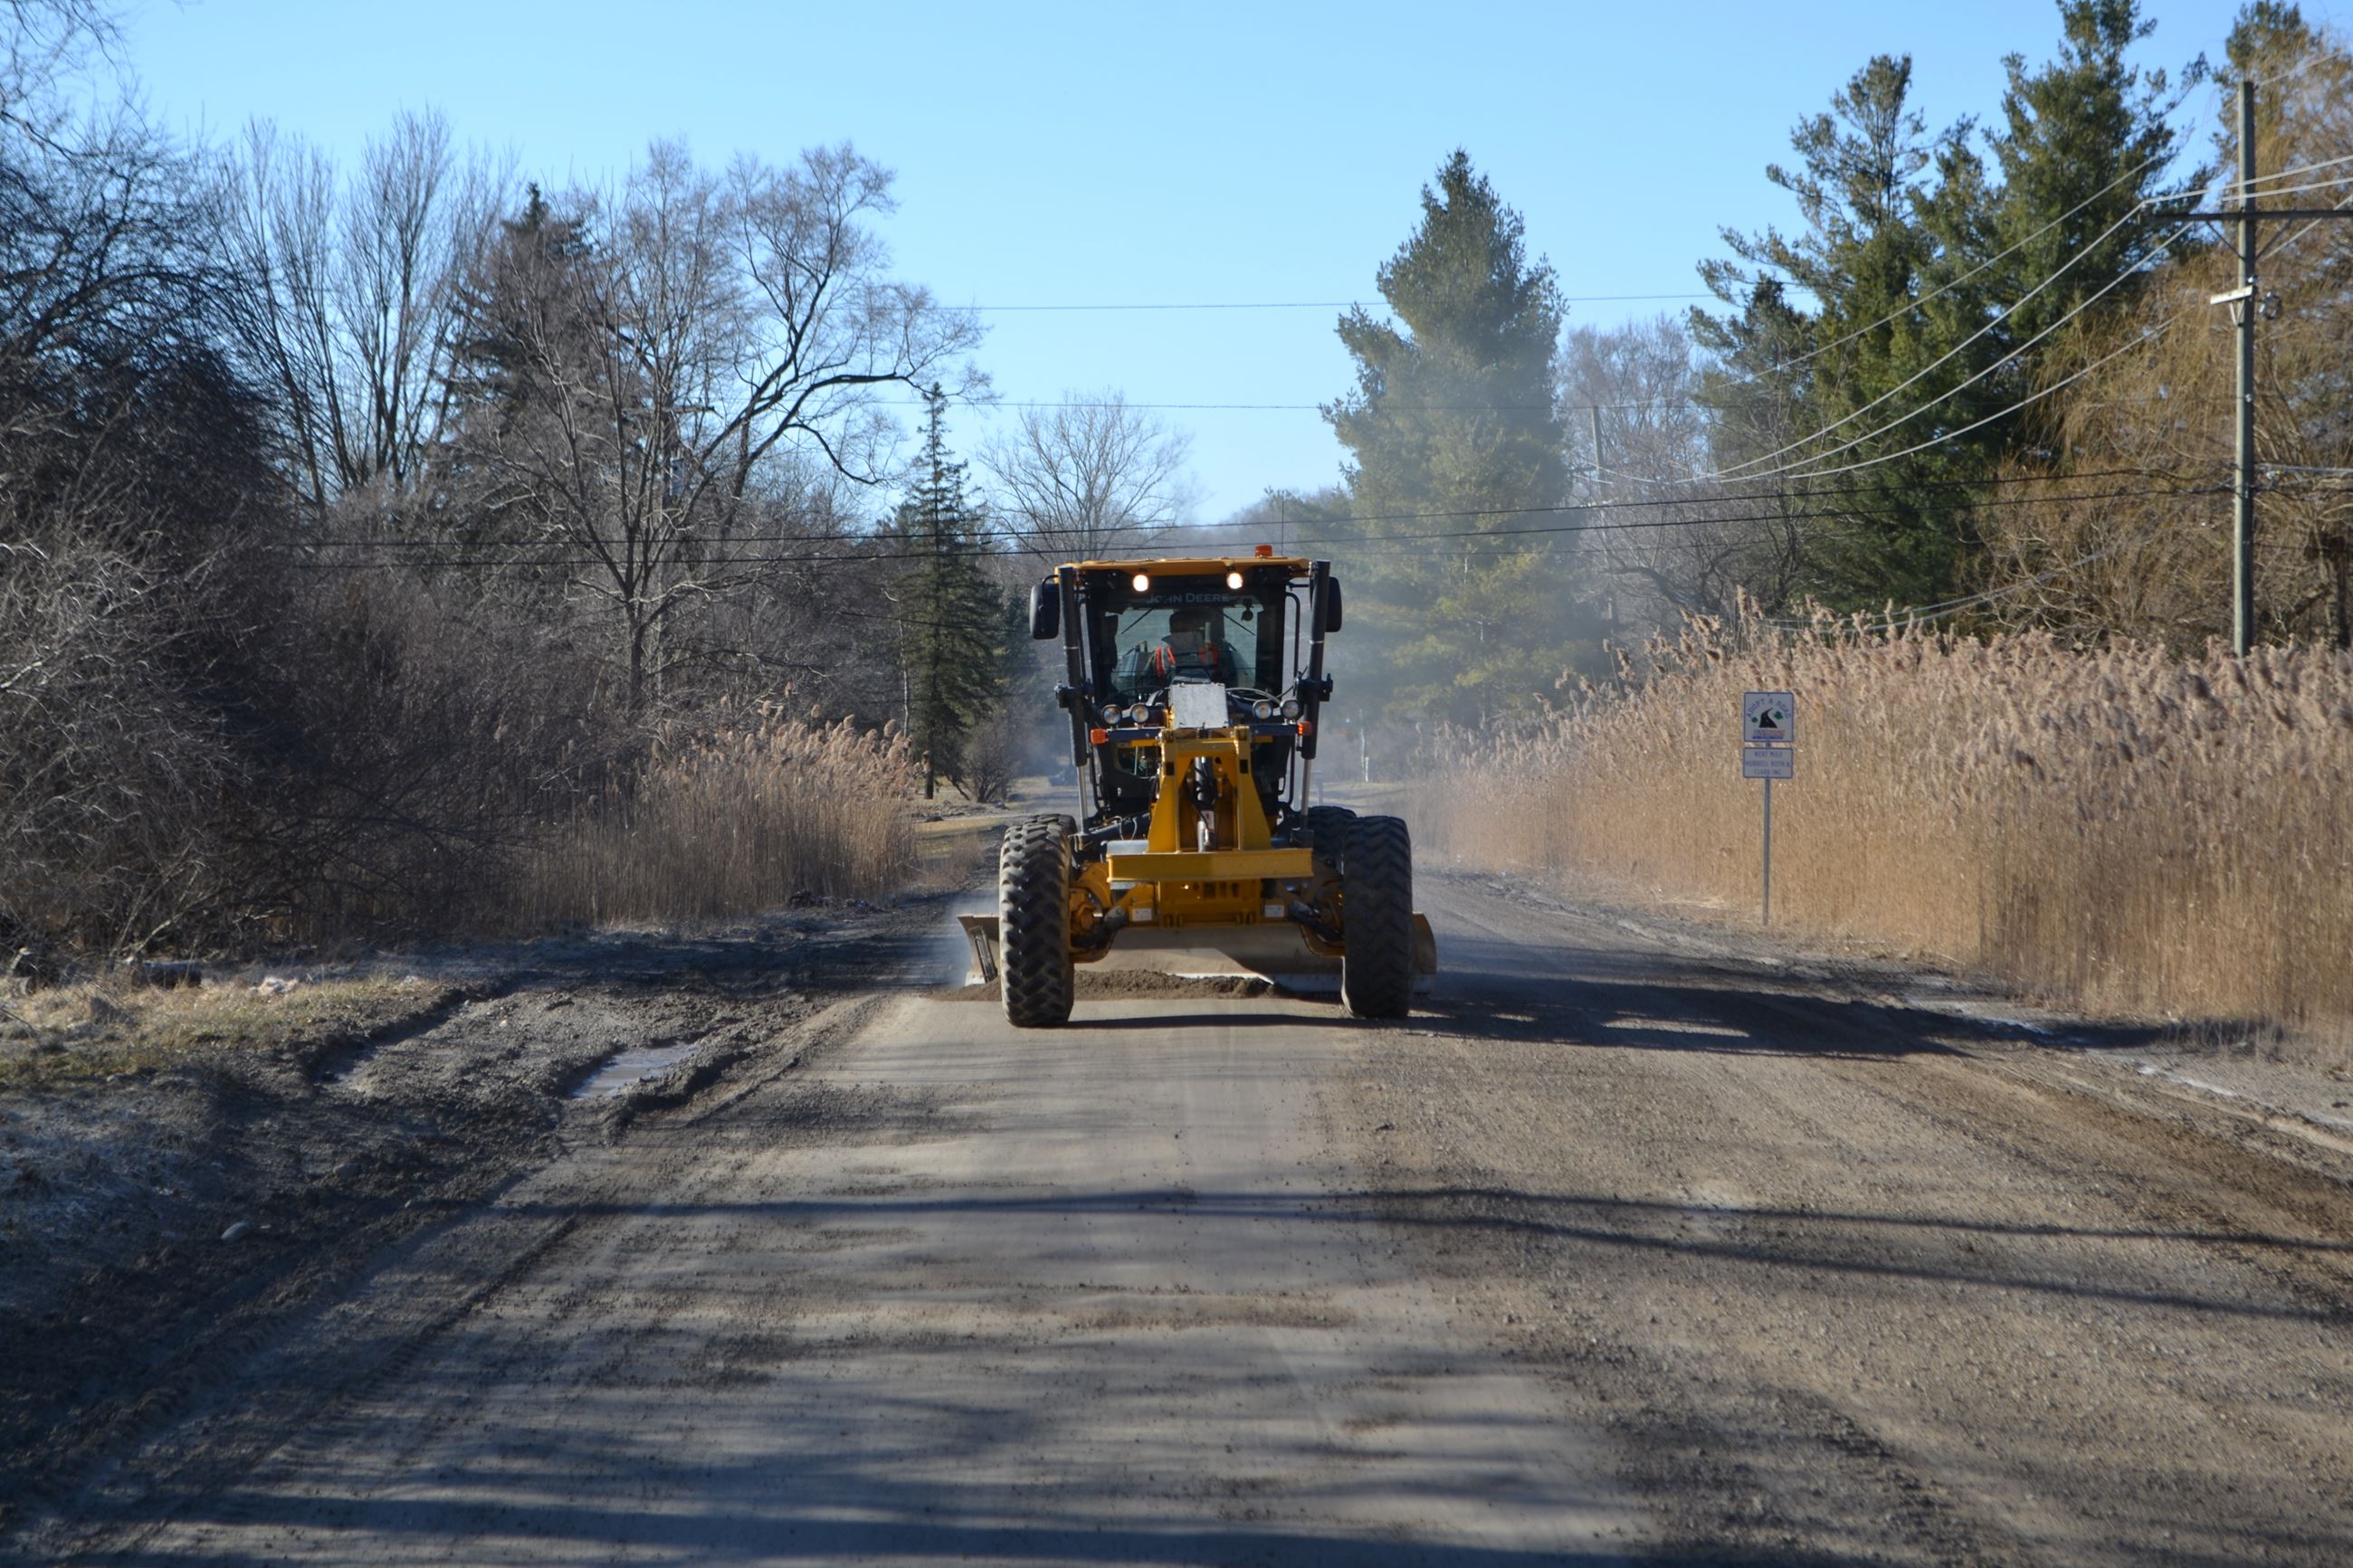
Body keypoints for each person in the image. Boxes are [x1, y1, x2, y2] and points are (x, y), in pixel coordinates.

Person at [1120, 606, 1237, 691]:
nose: (1180, 634)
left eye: (1185, 630)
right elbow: (1145, 687)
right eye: (1175, 630)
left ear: (1195, 631)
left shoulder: (1215, 654)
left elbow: (1233, 684)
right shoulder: (1159, 656)